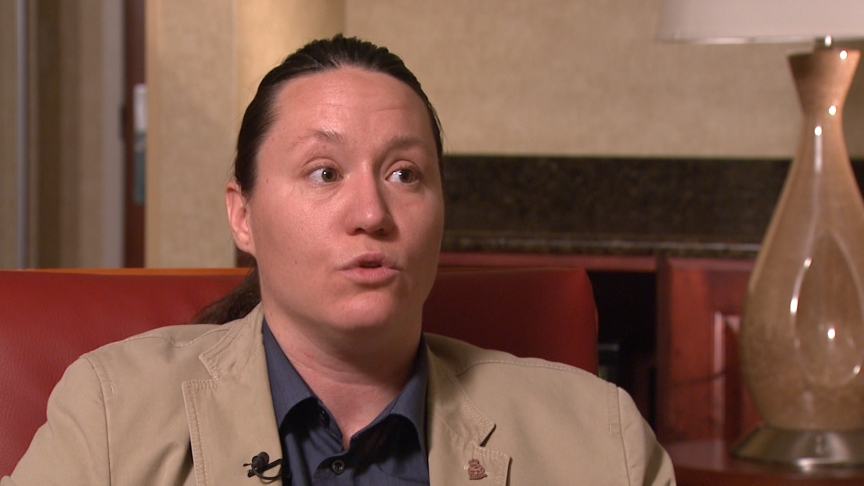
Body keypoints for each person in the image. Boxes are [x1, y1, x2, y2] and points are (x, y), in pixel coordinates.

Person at [2, 35, 675, 485]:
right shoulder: (113, 414)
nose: (372, 213)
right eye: (324, 173)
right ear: (242, 215)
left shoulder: (598, 440)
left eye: (405, 173)